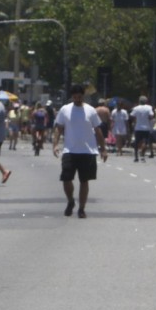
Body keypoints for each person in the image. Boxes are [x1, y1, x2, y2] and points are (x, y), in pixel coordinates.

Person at [51, 85, 107, 219]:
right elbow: (59, 128)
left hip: (87, 151)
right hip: (70, 150)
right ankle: (70, 200)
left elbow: (98, 130)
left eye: (79, 97)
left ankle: (82, 208)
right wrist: (55, 145)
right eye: (75, 97)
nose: (77, 99)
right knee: (66, 178)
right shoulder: (65, 110)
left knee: (84, 181)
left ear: (83, 96)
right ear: (72, 97)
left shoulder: (91, 110)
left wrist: (103, 149)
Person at [130, 95, 153, 162]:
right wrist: (148, 119)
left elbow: (131, 115)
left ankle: (136, 157)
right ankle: (142, 155)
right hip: (146, 127)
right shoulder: (149, 108)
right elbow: (151, 116)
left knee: (137, 142)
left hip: (138, 127)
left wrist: (135, 120)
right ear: (146, 101)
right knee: (145, 142)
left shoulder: (136, 108)